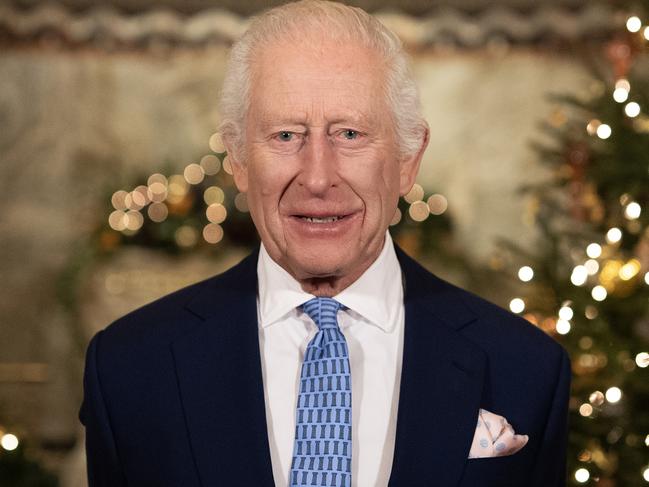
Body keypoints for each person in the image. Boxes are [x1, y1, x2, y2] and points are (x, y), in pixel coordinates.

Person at [79, 1, 571, 486]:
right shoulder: (129, 367)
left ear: (407, 160)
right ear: (238, 159)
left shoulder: (524, 367)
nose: (317, 178)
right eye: (286, 134)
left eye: (350, 133)